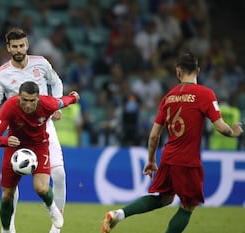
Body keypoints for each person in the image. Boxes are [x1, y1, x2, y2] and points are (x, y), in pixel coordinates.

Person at [101, 52, 243, 233]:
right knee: (188, 205)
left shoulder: (168, 97)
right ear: (198, 71)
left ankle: (118, 214)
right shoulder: (205, 94)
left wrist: (151, 159)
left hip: (168, 157)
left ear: (178, 72)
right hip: (188, 161)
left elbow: (153, 135)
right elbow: (221, 127)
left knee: (165, 198)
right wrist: (234, 132)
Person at [0, 28, 66, 233]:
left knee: (59, 174)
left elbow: (56, 82)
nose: (19, 49)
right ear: (8, 48)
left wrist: (57, 104)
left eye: (22, 45)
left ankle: (56, 228)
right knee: (12, 185)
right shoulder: (2, 74)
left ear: (27, 45)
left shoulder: (41, 63)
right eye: (15, 46)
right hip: (17, 131)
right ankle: (9, 227)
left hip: (43, 125)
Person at [0, 81, 80, 233]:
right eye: (24, 100)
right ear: (19, 97)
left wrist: (73, 97)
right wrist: (5, 140)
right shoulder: (9, 107)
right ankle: (6, 230)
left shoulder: (48, 104)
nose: (28, 105)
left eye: (32, 100)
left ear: (38, 98)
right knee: (7, 195)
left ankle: (52, 209)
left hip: (39, 146)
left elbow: (63, 102)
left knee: (41, 188)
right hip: (14, 147)